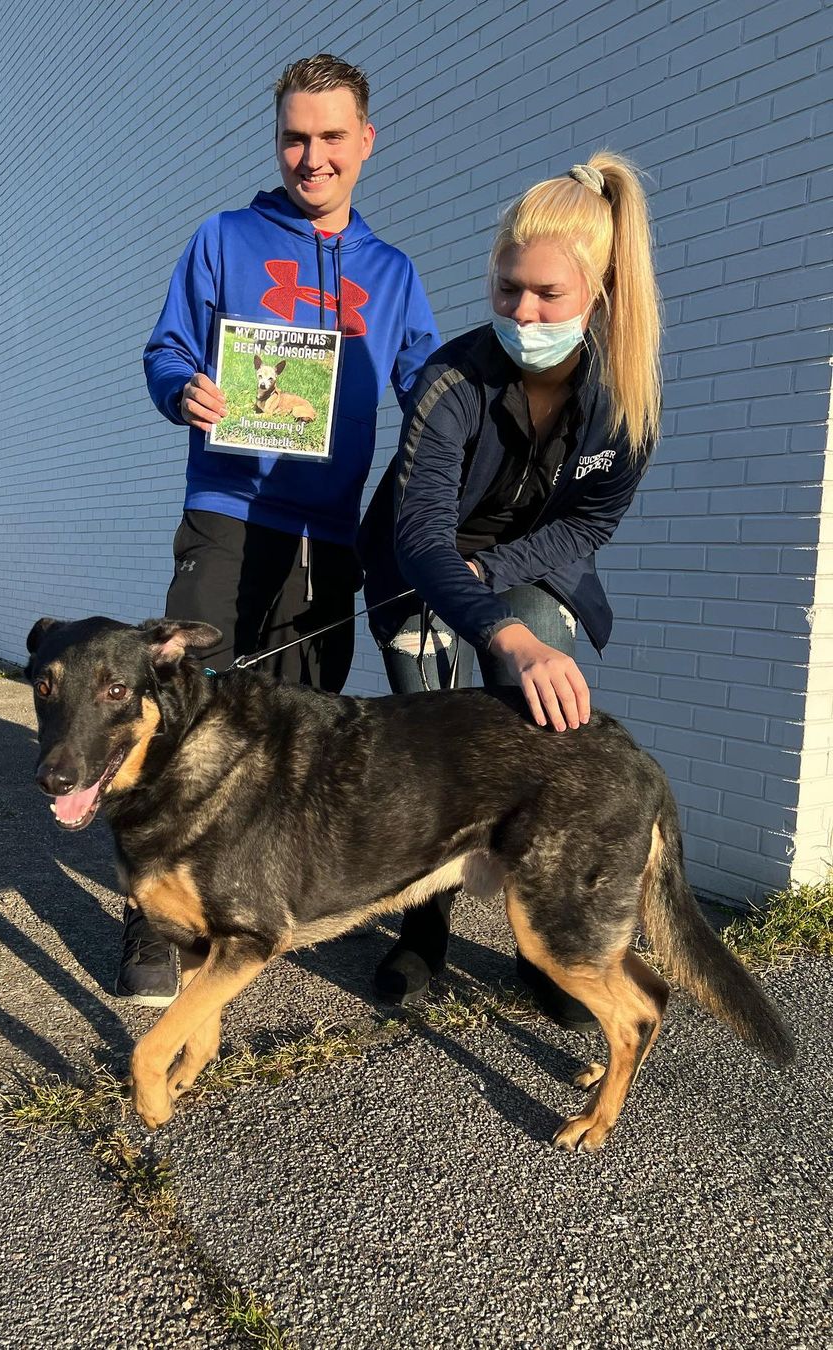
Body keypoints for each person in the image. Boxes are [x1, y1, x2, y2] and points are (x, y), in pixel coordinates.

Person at [121, 53, 441, 1004]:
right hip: (228, 511)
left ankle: (256, 905)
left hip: (329, 533)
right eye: (295, 137)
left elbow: (429, 390)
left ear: (366, 142)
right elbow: (166, 345)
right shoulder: (223, 240)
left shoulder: (391, 273)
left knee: (301, 717)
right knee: (186, 703)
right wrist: (184, 387)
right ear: (279, 139)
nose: (313, 157)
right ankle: (149, 916)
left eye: (332, 137)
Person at [358, 152, 662, 1021]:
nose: (522, 313)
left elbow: (587, 525)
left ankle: (552, 937)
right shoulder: (450, 382)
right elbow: (420, 535)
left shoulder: (627, 395)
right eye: (505, 289)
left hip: (533, 565)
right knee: (430, 741)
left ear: (597, 297)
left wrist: (503, 592)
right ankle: (424, 930)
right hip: (418, 565)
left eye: (546, 296)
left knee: (542, 722)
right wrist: (489, 618)